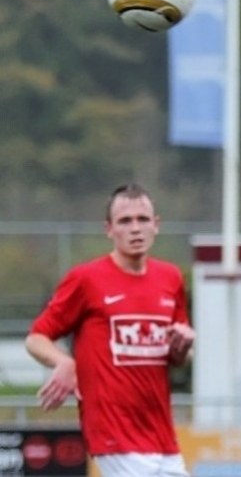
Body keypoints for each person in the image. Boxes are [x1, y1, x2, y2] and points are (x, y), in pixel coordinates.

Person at [26, 183, 195, 477]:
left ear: (156, 225)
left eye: (143, 219)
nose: (135, 228)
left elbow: (175, 358)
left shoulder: (170, 278)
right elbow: (36, 338)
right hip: (114, 434)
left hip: (162, 437)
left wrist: (182, 348)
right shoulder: (86, 279)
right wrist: (64, 362)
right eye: (125, 221)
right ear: (109, 229)